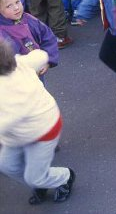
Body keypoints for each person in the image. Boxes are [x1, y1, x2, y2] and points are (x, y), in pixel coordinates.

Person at [0, 40, 76, 205]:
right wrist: (41, 60)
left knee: (34, 176)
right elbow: (40, 55)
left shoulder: (8, 91)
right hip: (18, 134)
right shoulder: (19, 62)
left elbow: (5, 122)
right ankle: (42, 181)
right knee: (7, 165)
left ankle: (64, 177)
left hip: (43, 130)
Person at [0, 0, 58, 71]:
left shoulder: (29, 19)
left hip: (36, 71)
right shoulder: (2, 31)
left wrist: (48, 60)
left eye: (17, 2)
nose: (16, 8)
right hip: (14, 76)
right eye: (9, 6)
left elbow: (48, 37)